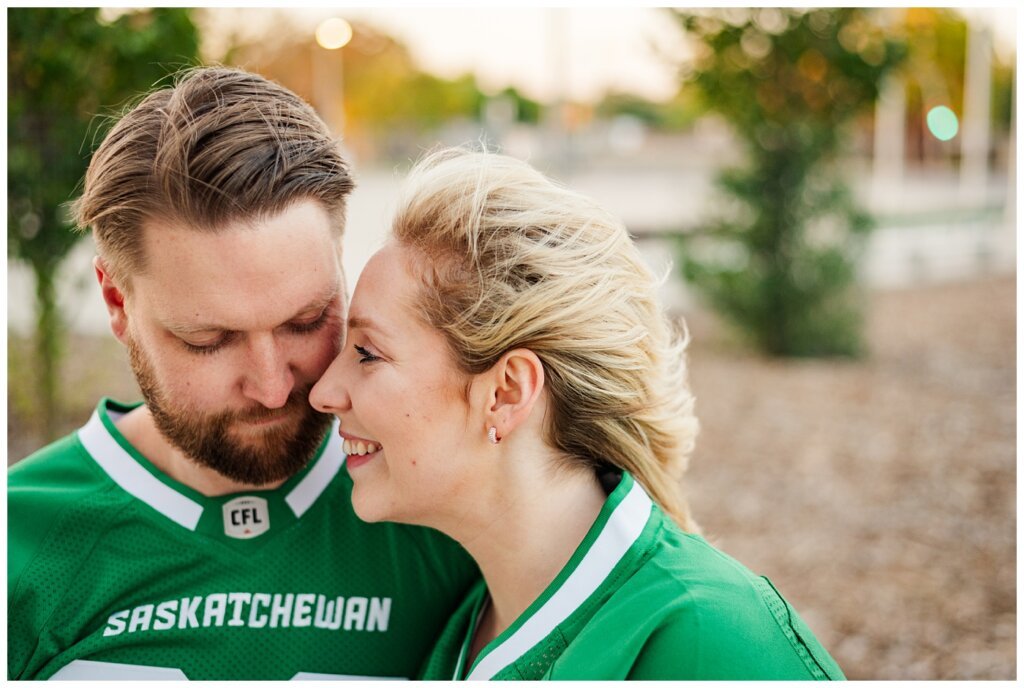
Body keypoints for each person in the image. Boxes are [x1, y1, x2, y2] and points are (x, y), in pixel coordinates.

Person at [7, 67, 478, 681]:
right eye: (209, 341)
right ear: (118, 304)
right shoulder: (18, 547)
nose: (274, 386)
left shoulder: (447, 511)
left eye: (306, 320)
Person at [309, 147, 846, 680]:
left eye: (367, 354)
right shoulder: (462, 633)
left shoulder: (712, 643)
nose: (323, 392)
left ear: (505, 393)